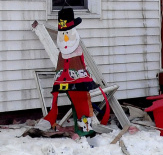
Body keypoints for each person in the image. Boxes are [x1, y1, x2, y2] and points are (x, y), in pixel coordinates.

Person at [34, 7, 111, 136]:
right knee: (73, 101)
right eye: (62, 34)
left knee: (82, 103)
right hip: (65, 81)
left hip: (78, 82)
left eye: (67, 34)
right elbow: (60, 66)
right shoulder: (62, 53)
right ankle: (78, 127)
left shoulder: (76, 49)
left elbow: (81, 65)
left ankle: (84, 129)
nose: (65, 39)